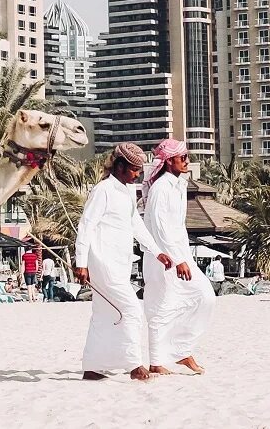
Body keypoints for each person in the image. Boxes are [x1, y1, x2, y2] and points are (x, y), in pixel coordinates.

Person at [74, 142, 174, 382]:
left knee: (102, 313)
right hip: (102, 262)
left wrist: (157, 251)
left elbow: (135, 224)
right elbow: (86, 225)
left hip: (120, 262)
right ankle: (135, 365)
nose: (137, 174)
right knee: (131, 309)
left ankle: (92, 367)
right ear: (119, 166)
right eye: (133, 170)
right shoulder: (103, 190)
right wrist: (81, 262)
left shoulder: (127, 192)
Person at [142, 139, 216, 376]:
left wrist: (183, 256)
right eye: (182, 157)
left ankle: (182, 350)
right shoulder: (161, 188)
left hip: (181, 254)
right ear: (168, 161)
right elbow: (160, 228)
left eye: (186, 156)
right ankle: (156, 361)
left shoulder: (178, 185)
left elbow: (176, 227)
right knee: (161, 306)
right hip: (163, 258)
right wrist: (177, 259)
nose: (187, 161)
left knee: (205, 297)